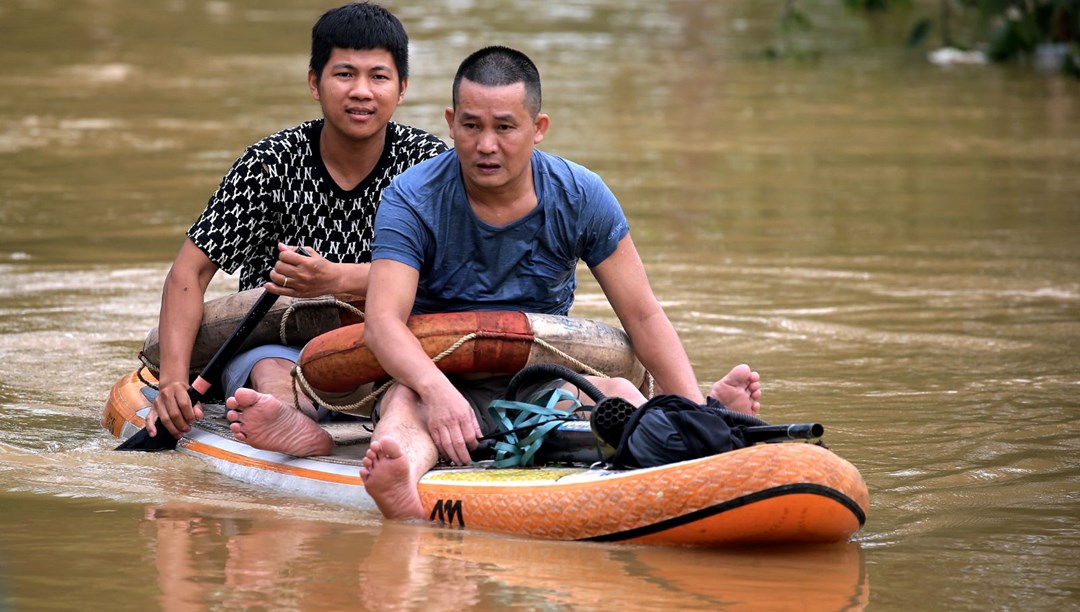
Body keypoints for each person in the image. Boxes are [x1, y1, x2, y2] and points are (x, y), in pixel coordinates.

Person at [358, 46, 762, 519]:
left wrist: (692, 412)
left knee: (619, 395)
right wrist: (436, 390)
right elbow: (382, 322)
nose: (486, 145)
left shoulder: (581, 195)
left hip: (541, 378)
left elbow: (643, 315)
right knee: (403, 406)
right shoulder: (411, 198)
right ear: (450, 123)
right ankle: (400, 481)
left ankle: (704, 420)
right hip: (438, 375)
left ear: (538, 128)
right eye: (471, 126)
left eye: (505, 127)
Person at [144, 2, 447, 457]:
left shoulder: (429, 165)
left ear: (402, 88)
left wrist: (336, 279)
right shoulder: (268, 165)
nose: (362, 91)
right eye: (344, 74)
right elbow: (189, 273)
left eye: (379, 77)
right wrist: (172, 382)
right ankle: (286, 419)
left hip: (391, 340)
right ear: (314, 83)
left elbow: (452, 270)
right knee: (270, 373)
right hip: (279, 341)